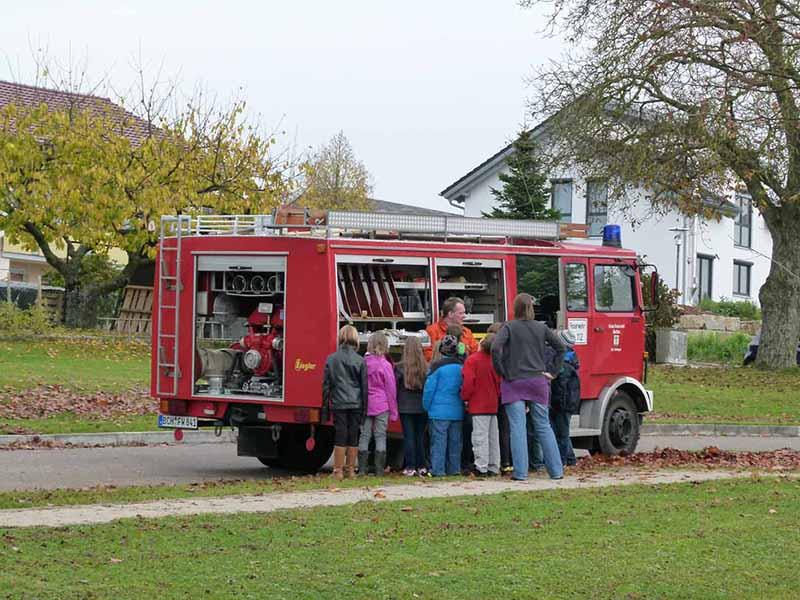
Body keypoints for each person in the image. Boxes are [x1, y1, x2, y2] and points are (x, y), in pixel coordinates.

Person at [491, 293, 566, 481]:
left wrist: (502, 371)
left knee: (518, 427)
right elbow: (560, 347)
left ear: (515, 308)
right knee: (543, 425)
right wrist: (553, 372)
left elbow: (495, 348)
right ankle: (556, 471)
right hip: (538, 380)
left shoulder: (509, 327)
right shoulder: (541, 328)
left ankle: (520, 473)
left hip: (514, 380)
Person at [322, 325, 368, 480]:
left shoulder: (331, 359)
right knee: (353, 434)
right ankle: (351, 470)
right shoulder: (360, 360)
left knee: (340, 434)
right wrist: (365, 409)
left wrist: (325, 409)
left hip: (338, 402)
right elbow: (364, 387)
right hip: (356, 403)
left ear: (340, 337)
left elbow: (326, 386)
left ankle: (338, 471)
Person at [422, 334, 464, 476]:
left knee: (438, 443)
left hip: (438, 411)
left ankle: (438, 470)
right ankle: (454, 469)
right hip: (457, 410)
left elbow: (429, 390)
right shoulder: (461, 367)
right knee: (455, 443)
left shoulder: (435, 367)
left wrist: (426, 407)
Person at [358, 331, 399, 476]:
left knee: (364, 435)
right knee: (380, 435)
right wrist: (393, 412)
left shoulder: (363, 363)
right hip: (382, 404)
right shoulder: (386, 365)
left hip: (365, 404)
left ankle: (362, 469)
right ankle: (379, 470)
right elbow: (391, 389)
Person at [461, 333, 501, 476]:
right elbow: (499, 382)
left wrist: (465, 397)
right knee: (493, 437)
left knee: (480, 437)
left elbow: (468, 382)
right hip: (492, 402)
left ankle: (481, 466)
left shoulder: (472, 360)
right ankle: (493, 465)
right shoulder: (496, 361)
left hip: (478, 403)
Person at [396, 336, 429, 476]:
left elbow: (395, 387)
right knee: (420, 437)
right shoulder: (426, 367)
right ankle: (422, 465)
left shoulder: (399, 367)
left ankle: (410, 466)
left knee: (408, 436)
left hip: (405, 406)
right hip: (422, 406)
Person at [550, 330, 580, 467]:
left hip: (562, 404)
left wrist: (555, 403)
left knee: (561, 433)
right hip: (567, 403)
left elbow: (560, 387)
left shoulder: (563, 363)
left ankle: (561, 461)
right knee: (563, 432)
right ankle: (570, 458)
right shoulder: (570, 358)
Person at [424, 296, 478, 361]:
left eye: (464, 313)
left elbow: (475, 354)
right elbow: (428, 355)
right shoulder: (432, 331)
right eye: (461, 313)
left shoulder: (467, 332)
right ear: (450, 314)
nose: (464, 316)